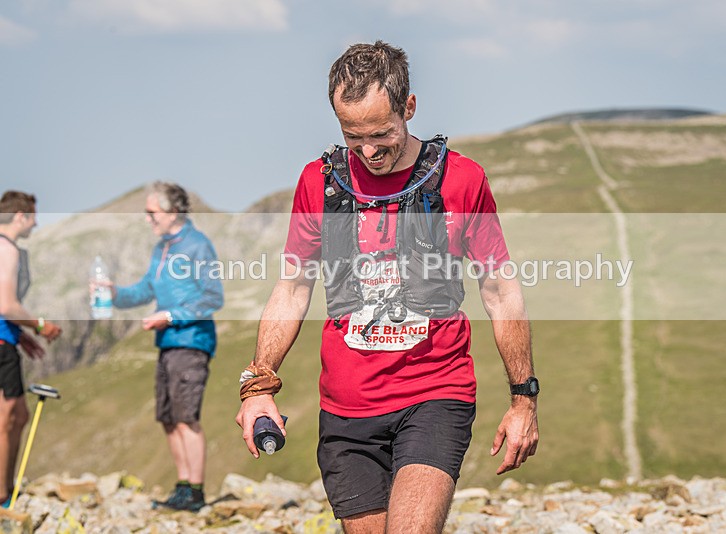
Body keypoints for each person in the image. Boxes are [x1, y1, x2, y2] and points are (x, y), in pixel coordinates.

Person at [236, 41, 539, 533]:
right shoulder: (319, 182)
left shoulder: (462, 181)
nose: (370, 152)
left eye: (381, 134)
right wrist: (259, 384)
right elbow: (292, 287)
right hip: (346, 411)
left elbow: (500, 291)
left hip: (435, 394)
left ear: (410, 108)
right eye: (353, 138)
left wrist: (523, 400)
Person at [101, 182, 223, 512]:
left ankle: (196, 493)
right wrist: (115, 293)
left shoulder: (198, 246)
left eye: (151, 212)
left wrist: (169, 316)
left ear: (172, 212)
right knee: (169, 418)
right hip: (167, 344)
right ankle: (182, 487)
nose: (147, 219)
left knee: (186, 418)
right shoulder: (162, 248)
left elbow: (213, 298)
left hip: (192, 342)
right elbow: (144, 290)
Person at [0, 191, 62, 507]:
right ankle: (2, 494)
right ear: (21, 216)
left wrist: (19, 334)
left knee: (18, 414)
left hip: (5, 337)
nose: (36, 224)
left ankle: (6, 489)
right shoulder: (7, 249)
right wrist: (40, 325)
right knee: (10, 415)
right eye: (33, 217)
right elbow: (7, 304)